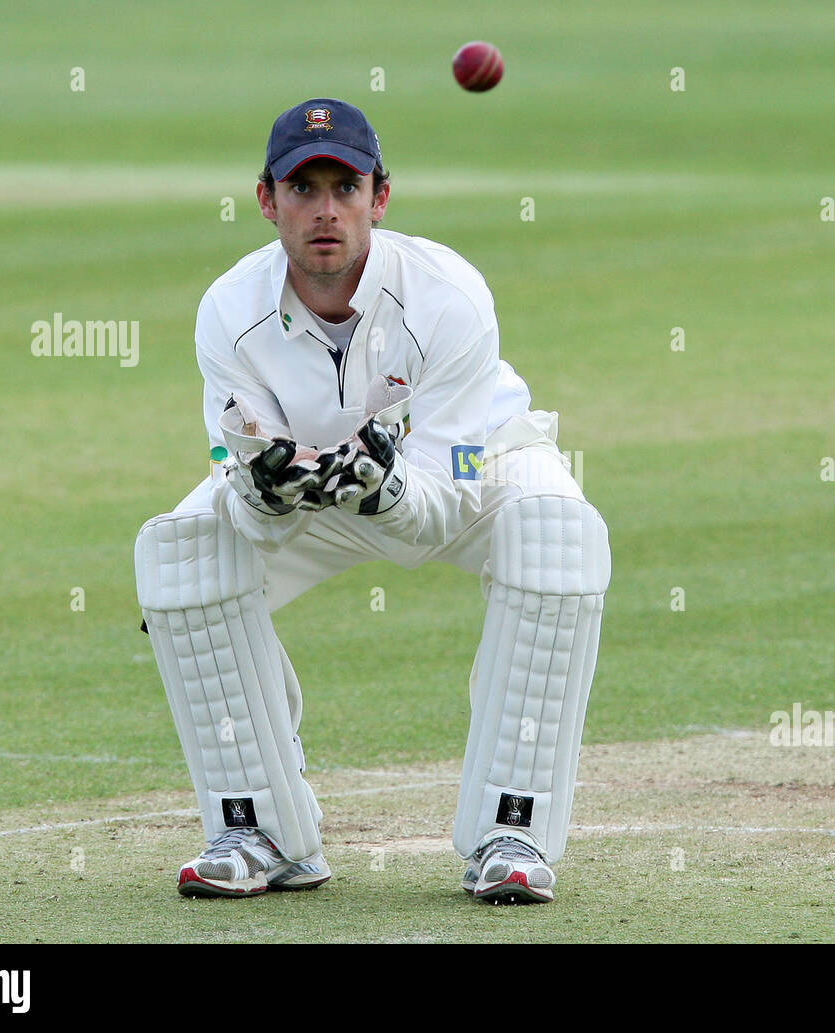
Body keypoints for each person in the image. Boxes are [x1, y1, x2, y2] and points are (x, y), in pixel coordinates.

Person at [133, 98, 611, 904]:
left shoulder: (447, 295)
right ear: (266, 200)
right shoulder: (228, 311)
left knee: (556, 533)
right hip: (326, 491)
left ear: (379, 199)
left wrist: (383, 490)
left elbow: (447, 503)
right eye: (303, 188)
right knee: (183, 552)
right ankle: (261, 829)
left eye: (345, 187)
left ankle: (511, 830)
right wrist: (265, 492)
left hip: (475, 469)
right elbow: (244, 486)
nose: (325, 210)